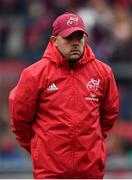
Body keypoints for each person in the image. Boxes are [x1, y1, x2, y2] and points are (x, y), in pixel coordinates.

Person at [9, 12, 119, 179]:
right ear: (54, 40)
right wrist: (40, 149)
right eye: (69, 38)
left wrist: (91, 143)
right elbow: (20, 121)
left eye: (79, 37)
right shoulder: (34, 74)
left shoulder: (103, 73)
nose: (75, 43)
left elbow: (108, 115)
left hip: (90, 171)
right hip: (50, 172)